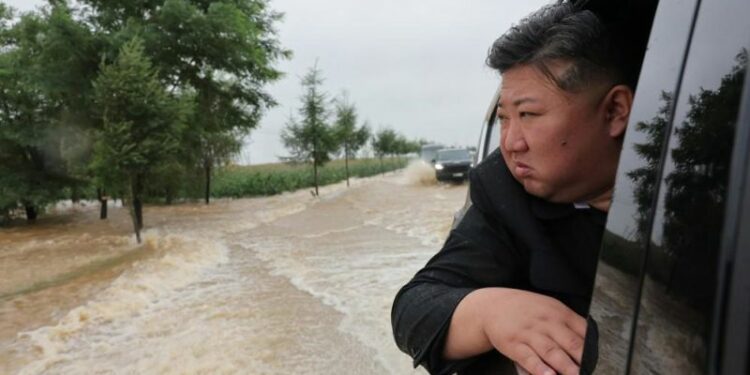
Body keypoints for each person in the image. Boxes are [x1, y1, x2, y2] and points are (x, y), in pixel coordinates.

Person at [391, 3, 642, 375]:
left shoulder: (698, 192)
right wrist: (488, 312)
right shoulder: (504, 193)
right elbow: (415, 308)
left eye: (528, 115)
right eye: (505, 119)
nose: (510, 143)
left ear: (616, 112)